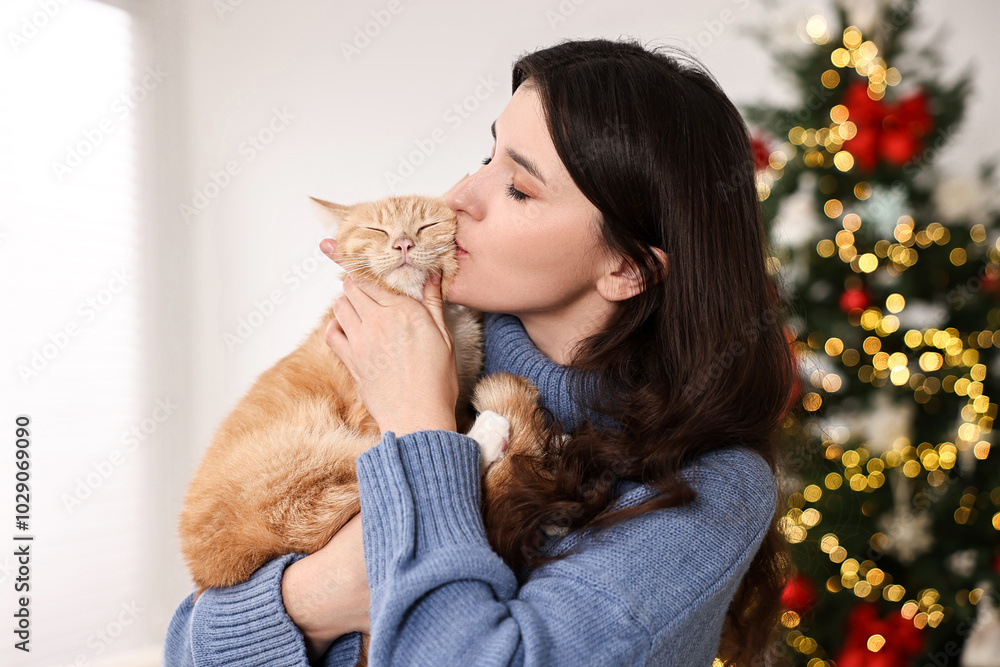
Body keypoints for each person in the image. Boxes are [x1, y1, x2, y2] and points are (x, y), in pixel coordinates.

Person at [164, 37, 795, 666]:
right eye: (485, 155)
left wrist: (416, 419)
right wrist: (315, 596)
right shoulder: (426, 350)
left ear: (627, 269)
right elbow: (188, 645)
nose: (459, 196)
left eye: (518, 187)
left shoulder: (710, 491)